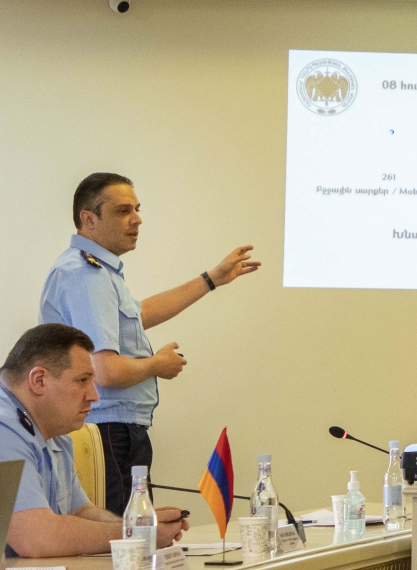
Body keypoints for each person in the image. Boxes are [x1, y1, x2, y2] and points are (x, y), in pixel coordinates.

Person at [40, 172, 260, 515]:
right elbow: (105, 371)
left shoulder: (98, 272)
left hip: (114, 429)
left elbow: (140, 313)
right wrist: (157, 364)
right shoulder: (85, 274)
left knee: (133, 530)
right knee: (125, 536)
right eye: (123, 211)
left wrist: (211, 279)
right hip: (107, 431)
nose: (137, 219)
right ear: (88, 219)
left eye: (137, 209)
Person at [0, 324, 190, 559]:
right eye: (82, 380)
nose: (94, 395)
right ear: (39, 380)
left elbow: (82, 512)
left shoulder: (52, 432)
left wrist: (140, 523)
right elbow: (37, 539)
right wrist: (137, 535)